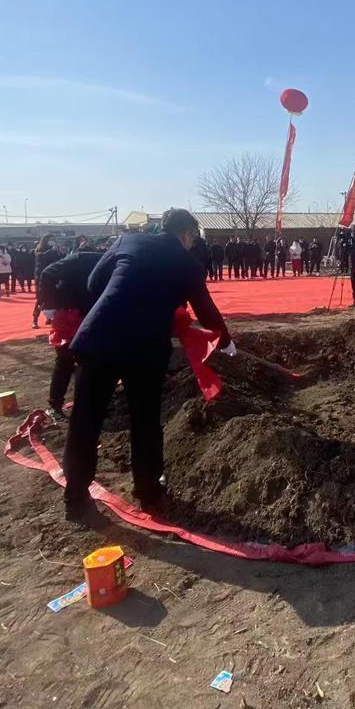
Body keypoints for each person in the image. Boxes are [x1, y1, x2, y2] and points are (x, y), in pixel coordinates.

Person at [63, 208, 233, 520]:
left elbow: (94, 281)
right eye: (193, 237)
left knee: (85, 420)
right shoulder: (187, 264)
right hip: (144, 348)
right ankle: (149, 493)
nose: (193, 243)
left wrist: (122, 303)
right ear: (185, 234)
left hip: (99, 337)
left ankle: (75, 496)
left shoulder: (127, 241)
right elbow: (205, 310)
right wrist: (226, 342)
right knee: (145, 421)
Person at [36, 244, 103, 421]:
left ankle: (88, 403)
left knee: (90, 362)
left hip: (92, 316)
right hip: (69, 315)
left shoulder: (113, 264)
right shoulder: (78, 259)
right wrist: (51, 304)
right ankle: (55, 404)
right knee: (65, 361)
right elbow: (46, 274)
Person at [32, 234, 62, 326]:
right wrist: (52, 251)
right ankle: (35, 319)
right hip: (42, 277)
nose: (51, 241)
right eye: (49, 240)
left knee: (53, 299)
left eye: (53, 240)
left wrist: (60, 252)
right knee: (41, 299)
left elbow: (59, 261)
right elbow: (41, 257)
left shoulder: (54, 250)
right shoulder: (39, 249)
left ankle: (50, 318)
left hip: (53, 276)